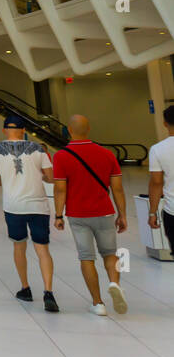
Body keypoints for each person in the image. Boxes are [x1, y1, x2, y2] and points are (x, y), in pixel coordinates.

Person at [52, 115, 127, 316]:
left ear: (68, 130)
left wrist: (58, 215)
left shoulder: (61, 156)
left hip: (78, 215)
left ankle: (98, 303)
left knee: (87, 257)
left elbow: (60, 189)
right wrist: (122, 214)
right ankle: (114, 283)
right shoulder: (106, 154)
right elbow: (117, 188)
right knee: (110, 253)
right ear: (89, 129)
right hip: (104, 212)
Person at [0, 115, 57, 312]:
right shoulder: (38, 148)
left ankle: (25, 288)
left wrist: (8, 183)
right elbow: (51, 177)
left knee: (19, 246)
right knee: (42, 249)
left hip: (13, 206)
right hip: (38, 206)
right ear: (24, 130)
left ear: (4, 131)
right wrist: (38, 176)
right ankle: (48, 292)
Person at [147, 104, 174, 268]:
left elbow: (156, 183)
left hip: (172, 211)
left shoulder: (157, 149)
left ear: (165, 123)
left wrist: (152, 213)